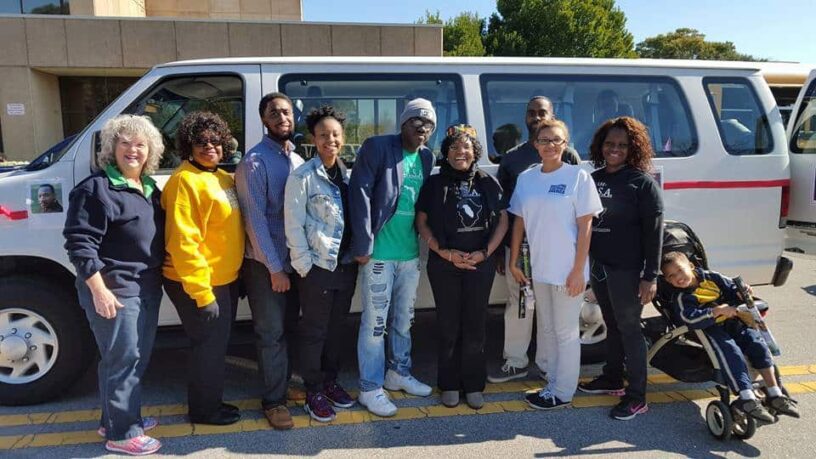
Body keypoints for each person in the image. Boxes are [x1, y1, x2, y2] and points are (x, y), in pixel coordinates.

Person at [63, 114, 165, 455]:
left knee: (130, 357)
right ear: (111, 148)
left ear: (151, 151)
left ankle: (116, 417)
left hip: (145, 285)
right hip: (115, 289)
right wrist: (99, 289)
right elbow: (80, 243)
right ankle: (123, 433)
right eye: (124, 143)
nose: (132, 150)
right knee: (124, 358)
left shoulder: (149, 190)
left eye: (140, 144)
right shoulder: (96, 190)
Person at [349, 98, 436, 417]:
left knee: (404, 320)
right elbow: (358, 193)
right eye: (417, 121)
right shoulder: (377, 147)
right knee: (374, 323)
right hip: (379, 254)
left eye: (429, 124)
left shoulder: (427, 156)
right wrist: (363, 244)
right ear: (403, 123)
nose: (423, 128)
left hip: (409, 255)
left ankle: (398, 372)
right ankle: (370, 388)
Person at [507, 119, 602, 410]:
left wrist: (578, 271)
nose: (550, 145)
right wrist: (514, 262)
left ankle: (563, 392)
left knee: (565, 332)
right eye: (544, 140)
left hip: (567, 270)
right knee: (547, 329)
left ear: (565, 144)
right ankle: (552, 382)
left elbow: (585, 226)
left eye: (556, 140)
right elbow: (519, 223)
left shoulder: (578, 177)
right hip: (540, 269)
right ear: (535, 144)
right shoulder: (527, 178)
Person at [415, 124, 508, 409]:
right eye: (454, 148)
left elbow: (503, 220)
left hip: (480, 264)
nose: (460, 152)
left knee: (476, 325)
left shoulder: (487, 182)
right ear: (446, 152)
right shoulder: (434, 183)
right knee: (448, 325)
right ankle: (449, 384)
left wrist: (485, 253)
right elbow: (421, 222)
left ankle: (474, 384)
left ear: (475, 151)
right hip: (445, 264)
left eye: (466, 147)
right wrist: (444, 252)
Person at [577, 116, 664, 421]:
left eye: (623, 145)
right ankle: (612, 378)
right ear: (601, 146)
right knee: (612, 326)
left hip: (627, 270)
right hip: (600, 267)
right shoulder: (593, 178)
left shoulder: (642, 183)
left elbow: (655, 234)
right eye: (610, 144)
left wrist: (650, 276)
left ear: (633, 149)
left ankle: (637, 397)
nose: (615, 149)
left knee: (629, 330)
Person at [489, 95, 580, 384]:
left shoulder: (569, 157)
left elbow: (581, 211)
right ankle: (515, 361)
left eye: (542, 113)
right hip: (523, 246)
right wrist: (505, 253)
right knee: (519, 302)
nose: (536, 117)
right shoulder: (513, 158)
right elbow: (507, 211)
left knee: (550, 305)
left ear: (552, 116)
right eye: (531, 113)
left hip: (557, 247)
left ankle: (546, 363)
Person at [162, 111, 244, 426]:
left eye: (215, 141)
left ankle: (211, 402)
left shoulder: (221, 177)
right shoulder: (184, 181)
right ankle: (203, 410)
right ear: (187, 146)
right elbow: (183, 243)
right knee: (207, 347)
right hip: (200, 284)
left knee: (215, 347)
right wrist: (202, 294)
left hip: (224, 280)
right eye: (200, 142)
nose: (210, 146)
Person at [660, 251, 800, 421]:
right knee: (731, 351)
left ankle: (775, 393)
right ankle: (747, 397)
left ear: (691, 266)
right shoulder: (683, 297)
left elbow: (732, 287)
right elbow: (688, 318)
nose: (679, 277)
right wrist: (715, 311)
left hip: (734, 320)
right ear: (668, 280)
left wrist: (742, 291)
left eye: (680, 270)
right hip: (710, 328)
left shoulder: (712, 277)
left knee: (757, 342)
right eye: (672, 276)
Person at [235, 92, 304, 430]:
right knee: (271, 333)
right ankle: (272, 401)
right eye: (274, 113)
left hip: (293, 263)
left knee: (288, 328)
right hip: (266, 265)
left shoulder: (294, 158)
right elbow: (255, 220)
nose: (282, 118)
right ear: (263, 120)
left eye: (287, 112)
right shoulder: (255, 162)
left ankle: (282, 384)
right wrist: (275, 268)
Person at [283, 106, 357, 423]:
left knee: (336, 329)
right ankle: (312, 388)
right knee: (314, 330)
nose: (330, 140)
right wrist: (304, 267)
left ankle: (330, 381)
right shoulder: (302, 176)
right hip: (317, 266)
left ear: (343, 138)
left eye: (335, 135)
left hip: (346, 265)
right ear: (313, 139)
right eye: (323, 134)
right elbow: (293, 224)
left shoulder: (350, 175)